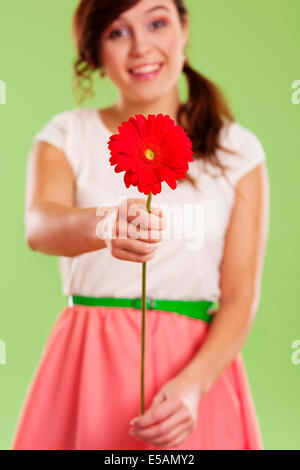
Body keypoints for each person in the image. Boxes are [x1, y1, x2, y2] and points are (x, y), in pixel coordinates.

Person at [10, 0, 270, 450]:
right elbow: (39, 225)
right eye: (117, 32)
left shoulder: (237, 149)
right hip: (88, 362)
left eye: (156, 22)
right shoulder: (66, 135)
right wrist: (105, 224)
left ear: (184, 29)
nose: (141, 47)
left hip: (194, 371)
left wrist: (194, 385)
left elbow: (240, 296)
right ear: (95, 52)